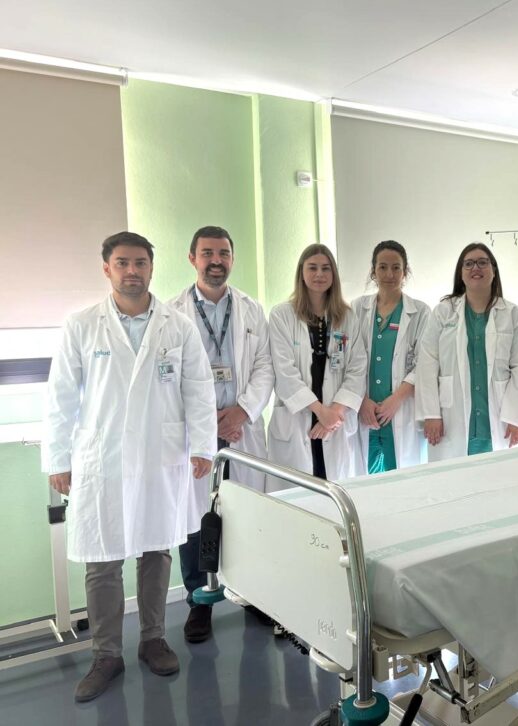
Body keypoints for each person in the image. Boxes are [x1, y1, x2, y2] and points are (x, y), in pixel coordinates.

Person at [42, 231, 217, 702]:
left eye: (140, 262)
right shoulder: (82, 325)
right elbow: (60, 397)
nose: (132, 271)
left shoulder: (178, 326)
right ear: (107, 269)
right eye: (122, 263)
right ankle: (106, 655)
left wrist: (203, 446)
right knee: (102, 559)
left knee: (157, 549)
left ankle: (153, 639)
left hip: (161, 454)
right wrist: (57, 459)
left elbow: (199, 389)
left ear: (152, 268)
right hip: (104, 458)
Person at [169, 225, 275, 643]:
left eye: (224, 253)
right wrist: (204, 420)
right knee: (195, 518)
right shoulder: (172, 313)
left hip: (240, 427)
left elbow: (264, 366)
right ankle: (199, 601)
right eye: (208, 253)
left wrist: (242, 411)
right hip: (196, 432)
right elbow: (168, 375)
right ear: (192, 258)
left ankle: (253, 596)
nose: (216, 261)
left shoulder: (251, 309)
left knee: (248, 514)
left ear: (232, 258)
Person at [416, 243, 518, 460]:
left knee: (496, 475)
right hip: (450, 416)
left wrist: (516, 417)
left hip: (497, 416)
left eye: (482, 262)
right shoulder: (444, 312)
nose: (475, 268)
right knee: (452, 478)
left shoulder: (513, 314)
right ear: (461, 273)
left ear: (493, 270)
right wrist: (431, 413)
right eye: (468, 264)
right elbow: (427, 363)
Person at [267, 244, 367, 488]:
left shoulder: (347, 317)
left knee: (334, 493)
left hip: (335, 421)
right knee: (296, 499)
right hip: (299, 418)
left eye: (326, 268)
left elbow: (357, 369)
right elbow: (285, 372)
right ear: (301, 272)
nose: (319, 274)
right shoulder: (282, 315)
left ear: (334, 274)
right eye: (312, 268)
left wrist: (334, 413)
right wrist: (321, 412)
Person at [352, 241, 431, 473]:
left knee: (403, 481)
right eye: (383, 267)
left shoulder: (420, 312)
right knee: (363, 480)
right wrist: (360, 400)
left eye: (396, 268)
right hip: (364, 410)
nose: (389, 274)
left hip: (401, 410)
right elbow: (347, 360)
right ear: (373, 271)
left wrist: (396, 399)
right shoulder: (357, 309)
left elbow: (425, 363)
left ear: (405, 272)